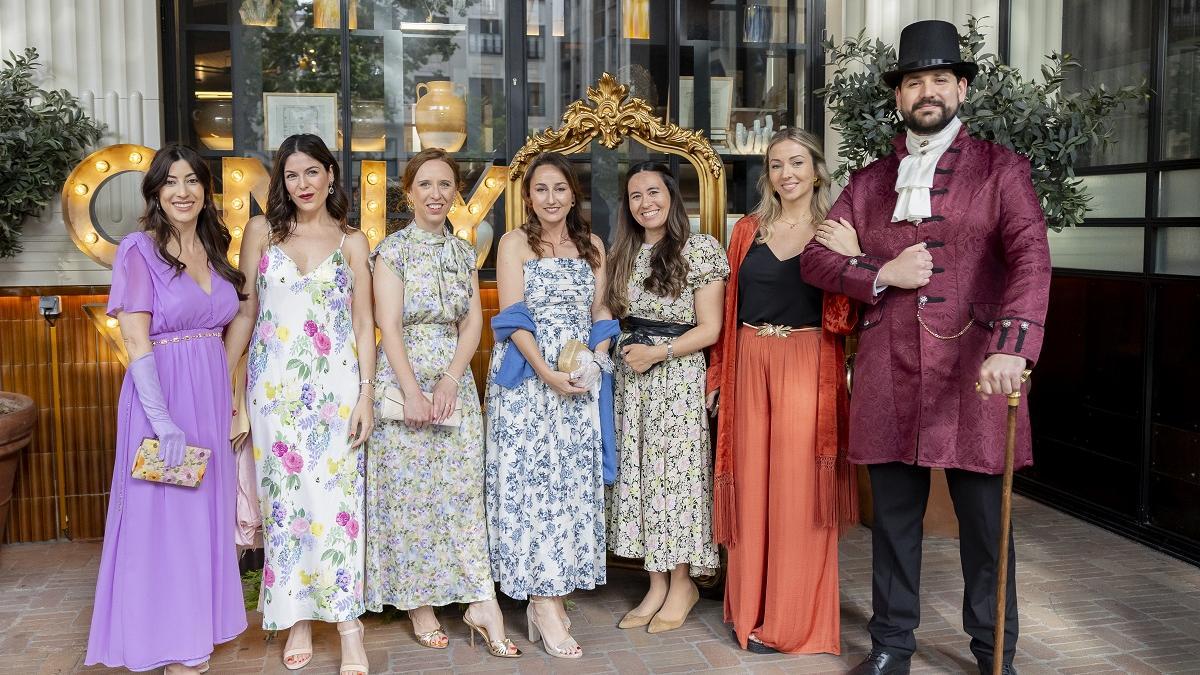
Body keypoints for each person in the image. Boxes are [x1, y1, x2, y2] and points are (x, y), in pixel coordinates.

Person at [800, 20, 1051, 675]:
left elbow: (1030, 257)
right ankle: (891, 645)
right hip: (891, 372)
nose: (928, 91)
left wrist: (1013, 347)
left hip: (977, 373)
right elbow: (817, 260)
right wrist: (880, 273)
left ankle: (994, 654)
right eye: (915, 81)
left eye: (941, 78)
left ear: (962, 88)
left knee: (985, 531)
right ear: (899, 97)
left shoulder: (1004, 170)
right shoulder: (868, 182)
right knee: (895, 524)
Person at [85, 144, 247, 673]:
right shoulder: (139, 248)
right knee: (165, 522)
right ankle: (172, 642)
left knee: (203, 518)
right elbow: (135, 341)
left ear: (206, 190)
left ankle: (196, 625)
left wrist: (231, 396)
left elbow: (234, 324)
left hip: (210, 394)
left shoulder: (214, 244)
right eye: (172, 181)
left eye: (193, 181)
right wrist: (162, 421)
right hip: (165, 400)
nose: (184, 191)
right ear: (155, 191)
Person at [706, 128, 860, 655]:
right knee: (750, 490)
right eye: (776, 164)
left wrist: (855, 257)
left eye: (797, 162)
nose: (786, 173)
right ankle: (749, 609)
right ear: (767, 174)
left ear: (816, 170)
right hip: (750, 361)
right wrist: (720, 375)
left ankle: (794, 622)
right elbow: (728, 313)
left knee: (798, 495)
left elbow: (848, 316)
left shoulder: (834, 230)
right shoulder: (746, 231)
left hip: (805, 363)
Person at [225, 134, 375, 675]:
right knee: (285, 508)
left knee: (337, 509)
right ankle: (297, 618)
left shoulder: (353, 241)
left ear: (331, 175)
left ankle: (349, 628)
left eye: (313, 172)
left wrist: (366, 394)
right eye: (292, 175)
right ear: (281, 182)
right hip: (274, 395)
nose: (303, 184)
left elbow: (364, 323)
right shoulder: (262, 232)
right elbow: (246, 313)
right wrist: (225, 381)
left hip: (337, 392)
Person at [364, 148, 519, 658]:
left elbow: (473, 320)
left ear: (455, 193)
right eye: (425, 184)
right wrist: (411, 390)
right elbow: (387, 324)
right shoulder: (391, 250)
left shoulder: (461, 251)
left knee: (459, 495)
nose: (435, 194)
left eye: (445, 185)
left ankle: (478, 599)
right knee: (410, 497)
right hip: (403, 377)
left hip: (454, 382)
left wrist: (453, 378)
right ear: (408, 193)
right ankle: (419, 605)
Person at [485, 152, 618, 659]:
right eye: (540, 189)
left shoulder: (593, 246)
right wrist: (546, 373)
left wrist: (595, 358)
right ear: (528, 197)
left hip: (578, 381)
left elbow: (599, 309)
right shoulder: (514, 243)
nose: (551, 198)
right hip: (528, 383)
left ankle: (554, 596)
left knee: (570, 491)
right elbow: (513, 315)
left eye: (559, 188)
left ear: (573, 193)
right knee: (532, 490)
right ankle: (543, 604)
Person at [604, 162, 727, 633]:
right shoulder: (625, 251)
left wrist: (659, 352)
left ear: (672, 197)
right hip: (632, 379)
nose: (645, 203)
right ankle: (654, 584)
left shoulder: (700, 250)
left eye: (653, 192)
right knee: (640, 480)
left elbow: (710, 327)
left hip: (675, 376)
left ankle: (682, 584)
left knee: (674, 481)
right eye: (635, 196)